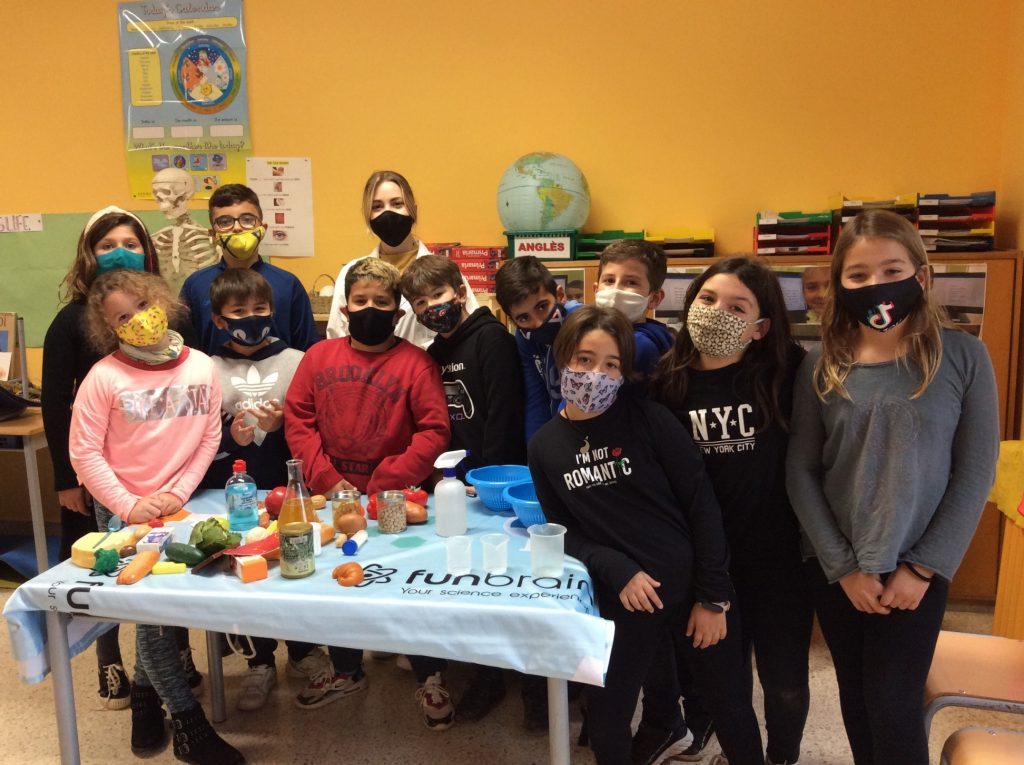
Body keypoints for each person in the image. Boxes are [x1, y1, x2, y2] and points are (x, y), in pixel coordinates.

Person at [786, 209, 999, 765]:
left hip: (916, 567)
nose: (876, 285)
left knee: (893, 703)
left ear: (921, 276)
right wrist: (842, 567)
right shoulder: (820, 365)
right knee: (856, 698)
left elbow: (976, 470)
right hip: (838, 566)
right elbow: (801, 469)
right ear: (840, 284)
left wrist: (923, 568)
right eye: (858, 275)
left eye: (891, 270)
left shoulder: (964, 356)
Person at [527, 305, 761, 765]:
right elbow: (562, 532)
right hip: (624, 600)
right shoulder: (544, 446)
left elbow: (701, 505)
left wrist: (714, 596)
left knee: (729, 705)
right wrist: (616, 568)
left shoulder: (650, 419)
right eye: (584, 359)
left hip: (693, 591)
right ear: (562, 358)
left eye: (611, 364)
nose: (596, 374)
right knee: (607, 718)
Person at [68, 270, 242, 764]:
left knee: (162, 612)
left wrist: (177, 492)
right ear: (110, 328)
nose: (139, 319)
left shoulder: (202, 367)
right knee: (152, 619)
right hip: (122, 508)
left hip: (178, 502)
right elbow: (84, 453)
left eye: (143, 305)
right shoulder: (104, 377)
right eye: (123, 316)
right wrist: (127, 505)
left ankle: (145, 701)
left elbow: (209, 437)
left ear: (161, 300)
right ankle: (189, 725)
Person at [645, 257, 812, 765]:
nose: (717, 312)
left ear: (760, 327)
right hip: (705, 567)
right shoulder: (666, 383)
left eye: (737, 307)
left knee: (785, 684)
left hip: (779, 562)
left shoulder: (786, 373)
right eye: (708, 299)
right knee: (723, 684)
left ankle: (781, 756)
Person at [41, 205, 200, 709]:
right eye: (107, 245)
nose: (119, 252)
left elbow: (188, 388)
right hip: (103, 475)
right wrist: (67, 479)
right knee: (110, 571)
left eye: (130, 243)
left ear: (147, 251)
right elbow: (54, 404)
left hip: (165, 472)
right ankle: (109, 660)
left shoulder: (170, 314)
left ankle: (176, 654)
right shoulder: (70, 321)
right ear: (89, 254)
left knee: (163, 566)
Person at [285, 257, 454, 728]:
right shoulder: (318, 357)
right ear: (345, 308)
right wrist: (323, 477)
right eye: (360, 300)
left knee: (410, 587)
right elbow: (299, 419)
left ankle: (429, 674)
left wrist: (387, 480)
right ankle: (345, 670)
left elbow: (434, 431)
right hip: (333, 497)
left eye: (381, 301)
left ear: (398, 312)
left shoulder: (417, 363)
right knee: (338, 584)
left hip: (395, 500)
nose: (370, 309)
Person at [400, 255, 539, 727]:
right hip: (457, 484)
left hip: (497, 482)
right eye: (421, 302)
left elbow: (502, 413)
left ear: (459, 292)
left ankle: (508, 679)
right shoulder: (433, 352)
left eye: (438, 295)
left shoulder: (491, 339)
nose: (432, 308)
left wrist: (487, 478)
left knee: (498, 582)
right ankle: (481, 669)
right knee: (467, 580)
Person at [199, 268, 327, 711]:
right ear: (219, 320)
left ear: (272, 311)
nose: (251, 317)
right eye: (239, 311)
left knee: (296, 564)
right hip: (232, 494)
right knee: (246, 573)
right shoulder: (206, 368)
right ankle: (258, 661)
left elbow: (313, 427)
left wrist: (282, 426)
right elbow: (199, 437)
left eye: (260, 309)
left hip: (286, 485)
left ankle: (303, 650)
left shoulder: (298, 360)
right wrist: (229, 437)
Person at [325, 170, 479, 349]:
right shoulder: (350, 272)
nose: (388, 213)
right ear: (368, 216)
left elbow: (472, 328)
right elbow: (337, 337)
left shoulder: (444, 270)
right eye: (377, 207)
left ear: (413, 210)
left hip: (434, 365)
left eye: (397, 204)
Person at [179, 183, 319, 354]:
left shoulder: (288, 284)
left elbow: (309, 350)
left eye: (247, 219)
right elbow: (184, 350)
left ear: (263, 229)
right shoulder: (195, 285)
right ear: (213, 235)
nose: (237, 227)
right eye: (225, 222)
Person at [494, 255, 578, 444]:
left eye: (542, 307)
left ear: (560, 295)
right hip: (558, 432)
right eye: (524, 318)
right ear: (512, 321)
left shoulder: (583, 325)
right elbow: (536, 399)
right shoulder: (524, 338)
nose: (538, 323)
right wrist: (536, 451)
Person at [593, 240, 674, 377]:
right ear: (595, 289)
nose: (616, 291)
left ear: (654, 299)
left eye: (631, 282)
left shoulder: (638, 346)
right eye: (609, 280)